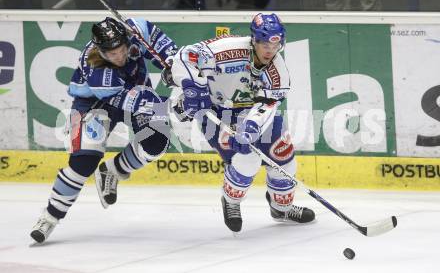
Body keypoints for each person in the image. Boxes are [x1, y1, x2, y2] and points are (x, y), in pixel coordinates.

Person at [30, 17, 178, 243]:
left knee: (156, 141)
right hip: (94, 103)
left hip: (138, 91)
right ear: (100, 51)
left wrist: (174, 68)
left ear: (127, 39)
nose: (118, 57)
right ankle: (50, 217)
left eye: (121, 50)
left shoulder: (138, 29)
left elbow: (172, 54)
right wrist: (174, 104)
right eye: (111, 54)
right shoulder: (96, 67)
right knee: (83, 163)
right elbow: (135, 101)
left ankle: (112, 170)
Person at [169, 13, 315, 232]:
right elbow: (186, 55)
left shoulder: (279, 72)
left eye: (275, 46)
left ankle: (281, 207)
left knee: (283, 155)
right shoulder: (228, 48)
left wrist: (251, 127)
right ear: (254, 39)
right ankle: (232, 201)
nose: (270, 51)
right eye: (265, 44)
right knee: (247, 160)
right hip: (217, 112)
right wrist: (191, 85)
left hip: (253, 113)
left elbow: (267, 105)